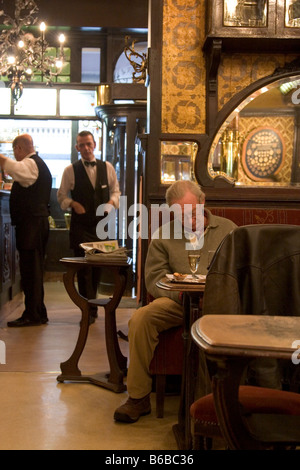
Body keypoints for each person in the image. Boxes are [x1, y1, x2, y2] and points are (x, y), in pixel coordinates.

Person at [114, 180, 237, 423]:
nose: (189, 221)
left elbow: (242, 271)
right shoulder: (164, 235)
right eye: (180, 215)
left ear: (203, 202)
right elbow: (154, 279)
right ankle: (138, 398)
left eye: (192, 213)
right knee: (141, 318)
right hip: (178, 302)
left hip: (220, 303)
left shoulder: (229, 230)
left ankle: (223, 400)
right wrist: (180, 295)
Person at [57, 130, 120, 323]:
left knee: (98, 267)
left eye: (89, 144)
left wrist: (110, 204)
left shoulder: (107, 167)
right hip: (80, 226)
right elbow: (61, 196)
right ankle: (89, 309)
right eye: (82, 145)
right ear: (77, 148)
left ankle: (92, 305)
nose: (86, 148)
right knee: (84, 269)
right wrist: (73, 204)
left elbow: (116, 191)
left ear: (95, 145)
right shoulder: (70, 170)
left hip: (101, 225)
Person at [0, 134, 52, 327]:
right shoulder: (36, 164)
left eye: (15, 150)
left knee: (31, 270)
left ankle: (33, 314)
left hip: (32, 225)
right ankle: (37, 311)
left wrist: (2, 159)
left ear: (19, 149)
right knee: (34, 270)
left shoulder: (30, 164)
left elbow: (15, 168)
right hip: (34, 224)